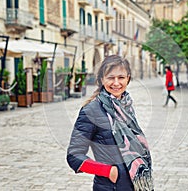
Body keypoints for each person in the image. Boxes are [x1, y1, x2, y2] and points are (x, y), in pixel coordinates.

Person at [66, 55, 154, 191]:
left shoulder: (126, 106)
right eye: (111, 78)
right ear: (102, 79)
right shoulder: (91, 110)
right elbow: (73, 155)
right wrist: (109, 172)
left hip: (135, 185)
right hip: (110, 186)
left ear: (128, 78)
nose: (116, 83)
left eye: (121, 77)